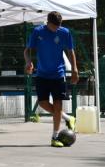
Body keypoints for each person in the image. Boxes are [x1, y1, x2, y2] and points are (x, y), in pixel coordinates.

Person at [24, 11, 79, 147]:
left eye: (58, 26)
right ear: (47, 22)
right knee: (42, 103)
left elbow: (70, 51)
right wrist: (28, 62)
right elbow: (27, 50)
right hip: (42, 74)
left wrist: (74, 69)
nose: (56, 28)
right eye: (54, 26)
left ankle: (55, 137)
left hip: (58, 75)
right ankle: (67, 117)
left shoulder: (64, 32)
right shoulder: (38, 32)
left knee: (58, 104)